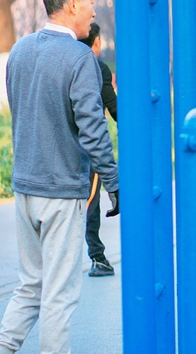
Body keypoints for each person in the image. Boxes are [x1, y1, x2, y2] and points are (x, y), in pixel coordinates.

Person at [0, 0, 119, 354]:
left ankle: (3, 350)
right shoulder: (80, 57)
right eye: (91, 2)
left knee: (30, 284)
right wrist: (114, 181)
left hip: (25, 186)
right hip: (62, 189)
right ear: (72, 6)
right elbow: (92, 128)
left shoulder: (20, 50)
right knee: (59, 295)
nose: (94, 9)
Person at [78, 23, 118, 277]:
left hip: (61, 145)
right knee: (90, 201)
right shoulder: (96, 67)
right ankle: (97, 257)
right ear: (97, 42)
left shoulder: (65, 61)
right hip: (88, 145)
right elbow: (116, 109)